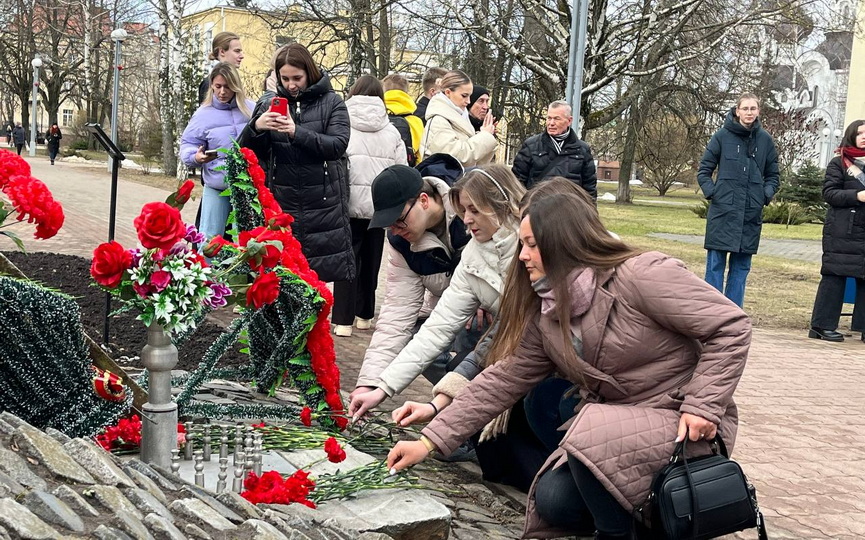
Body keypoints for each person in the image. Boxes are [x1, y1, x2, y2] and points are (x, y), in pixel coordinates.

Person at [387, 188, 751, 539]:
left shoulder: (641, 274)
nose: (523, 256)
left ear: (564, 241)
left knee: (587, 428)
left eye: (531, 245)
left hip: (682, 423)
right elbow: (502, 379)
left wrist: (703, 405)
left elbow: (730, 326)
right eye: (522, 245)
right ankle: (657, 520)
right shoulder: (548, 311)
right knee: (553, 500)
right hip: (617, 429)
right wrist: (429, 442)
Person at [351, 160, 470, 405]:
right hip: (446, 315)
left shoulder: (470, 209)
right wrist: (369, 383)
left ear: (423, 201)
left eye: (399, 220)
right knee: (418, 343)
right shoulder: (402, 245)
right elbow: (396, 314)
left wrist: (488, 291)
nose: (395, 230)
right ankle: (462, 405)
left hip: (493, 313)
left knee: (469, 344)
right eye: (388, 224)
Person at [239, 43, 354, 283]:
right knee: (283, 278)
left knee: (318, 280)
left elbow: (337, 146)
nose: (291, 85)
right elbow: (245, 153)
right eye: (285, 78)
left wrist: (295, 132)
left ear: (309, 73)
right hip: (282, 201)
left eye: (297, 78)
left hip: (323, 205)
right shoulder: (269, 104)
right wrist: (256, 128)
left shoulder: (333, 102)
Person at [332, 75, 407, 337]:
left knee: (347, 260)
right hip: (378, 207)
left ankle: (342, 320)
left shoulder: (342, 125)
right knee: (372, 260)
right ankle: (364, 315)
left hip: (347, 203)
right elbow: (401, 169)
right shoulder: (392, 131)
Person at [697, 92, 779, 308]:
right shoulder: (721, 137)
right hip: (723, 212)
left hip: (750, 214)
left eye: (753, 108)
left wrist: (764, 194)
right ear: (737, 111)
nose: (749, 112)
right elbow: (704, 171)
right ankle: (712, 311)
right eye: (745, 108)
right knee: (715, 265)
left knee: (741, 267)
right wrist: (714, 193)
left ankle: (733, 313)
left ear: (758, 111)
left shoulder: (765, 140)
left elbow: (773, 175)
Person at [180, 63, 255, 241]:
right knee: (209, 238)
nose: (222, 92)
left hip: (247, 185)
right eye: (218, 86)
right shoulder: (202, 114)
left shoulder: (252, 109)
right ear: (212, 85)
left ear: (236, 86)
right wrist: (196, 157)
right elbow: (187, 144)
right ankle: (207, 268)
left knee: (245, 239)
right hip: (216, 184)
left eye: (227, 86)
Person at [808, 119, 865, 343]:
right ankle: (821, 325)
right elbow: (829, 194)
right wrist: (856, 196)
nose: (864, 136)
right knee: (835, 276)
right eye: (860, 133)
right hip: (844, 230)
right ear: (852, 136)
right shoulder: (839, 163)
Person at [512, 100, 598, 200]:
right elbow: (516, 182)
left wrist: (590, 213)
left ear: (569, 121)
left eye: (557, 119)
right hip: (536, 209)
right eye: (549, 118)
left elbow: (589, 188)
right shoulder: (531, 145)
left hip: (570, 210)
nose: (551, 123)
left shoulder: (582, 149)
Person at [420, 70, 497, 167]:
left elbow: (477, 163)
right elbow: (457, 158)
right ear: (448, 92)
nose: (468, 101)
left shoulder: (460, 116)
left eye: (470, 96)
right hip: (446, 180)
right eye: (464, 96)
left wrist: (485, 135)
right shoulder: (439, 120)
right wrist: (485, 136)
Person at [382, 73, 423, 166]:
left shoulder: (375, 115)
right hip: (404, 172)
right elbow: (420, 155)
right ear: (406, 93)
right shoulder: (415, 121)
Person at [198, 32, 244, 104]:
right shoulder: (208, 83)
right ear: (222, 51)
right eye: (237, 51)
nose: (242, 56)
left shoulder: (234, 79)